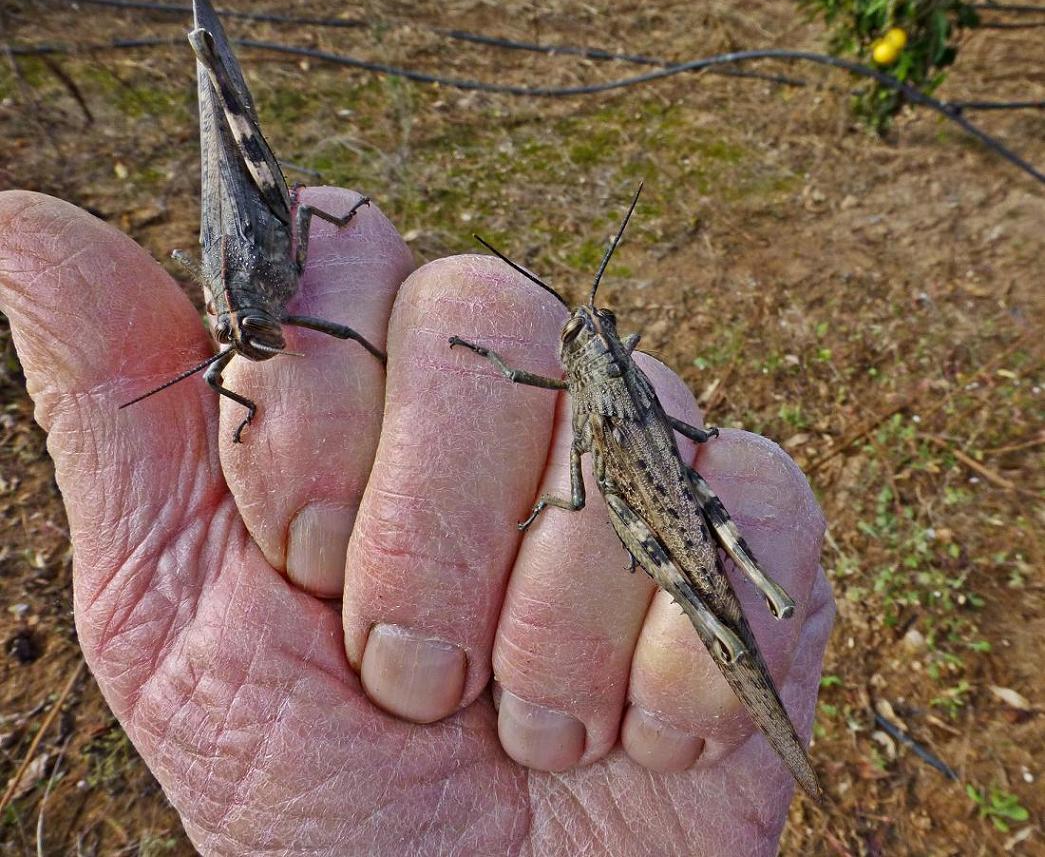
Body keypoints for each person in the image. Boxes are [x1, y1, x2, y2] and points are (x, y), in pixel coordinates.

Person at [0, 187, 834, 856]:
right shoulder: (606, 385)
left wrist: (557, 499)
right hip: (654, 497)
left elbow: (582, 487)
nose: (587, 336)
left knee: (689, 548)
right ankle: (735, 615)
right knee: (688, 565)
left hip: (656, 507)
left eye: (591, 332)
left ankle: (743, 609)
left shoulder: (597, 388)